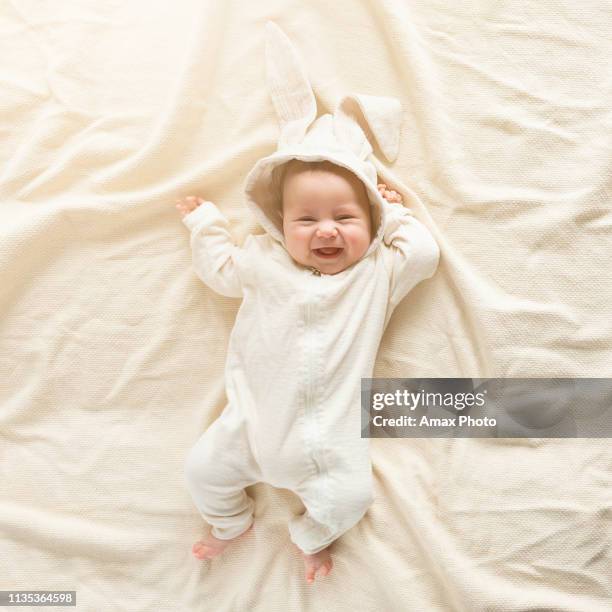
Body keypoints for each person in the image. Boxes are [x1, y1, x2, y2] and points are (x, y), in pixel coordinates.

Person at [175, 157, 440, 583]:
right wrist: (206, 225)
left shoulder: (375, 274)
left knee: (351, 500)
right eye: (307, 219)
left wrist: (393, 213)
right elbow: (222, 270)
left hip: (328, 443)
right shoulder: (263, 260)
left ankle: (310, 538)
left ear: (369, 219)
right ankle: (231, 523)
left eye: (345, 217)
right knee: (201, 472)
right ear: (280, 225)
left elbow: (423, 255)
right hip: (247, 428)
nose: (327, 229)